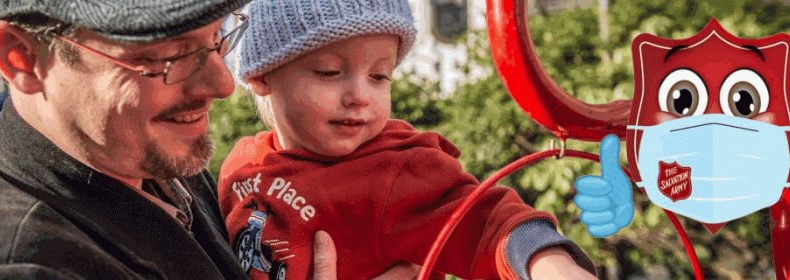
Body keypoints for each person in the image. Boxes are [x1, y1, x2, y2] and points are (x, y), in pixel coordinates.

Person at [0, 1, 416, 279]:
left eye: (218, 38)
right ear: (21, 56)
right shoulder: (8, 266)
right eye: (167, 54)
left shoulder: (157, 166)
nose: (222, 83)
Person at [218, 0, 599, 279]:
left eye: (380, 76)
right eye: (329, 71)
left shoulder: (396, 170)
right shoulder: (241, 166)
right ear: (262, 75)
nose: (359, 96)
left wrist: (549, 263)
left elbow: (482, 219)